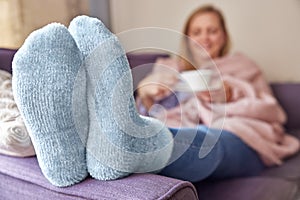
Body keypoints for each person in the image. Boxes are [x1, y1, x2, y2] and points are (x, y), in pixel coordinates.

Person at [136, 4, 300, 178]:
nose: (205, 38)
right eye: (197, 32)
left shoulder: (243, 66)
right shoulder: (168, 69)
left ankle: (148, 148)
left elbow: (271, 110)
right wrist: (145, 93)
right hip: (177, 128)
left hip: (235, 133)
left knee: (208, 141)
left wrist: (233, 92)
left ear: (224, 36)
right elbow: (150, 116)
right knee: (164, 133)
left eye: (212, 31)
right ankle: (149, 145)